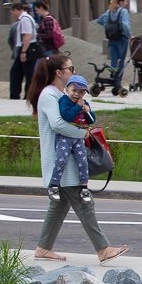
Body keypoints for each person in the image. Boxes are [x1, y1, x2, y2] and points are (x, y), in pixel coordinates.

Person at [27, 53, 127, 265]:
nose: (74, 71)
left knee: (60, 206)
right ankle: (103, 249)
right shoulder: (49, 95)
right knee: (84, 202)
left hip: (65, 159)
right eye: (71, 68)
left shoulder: (60, 94)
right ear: (59, 73)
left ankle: (43, 248)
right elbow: (57, 124)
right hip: (62, 160)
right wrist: (84, 134)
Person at [47, 74, 95, 202]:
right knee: (61, 159)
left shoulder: (83, 103)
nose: (76, 95)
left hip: (78, 138)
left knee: (83, 160)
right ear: (67, 89)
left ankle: (84, 186)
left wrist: (87, 111)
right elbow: (66, 116)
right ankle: (53, 185)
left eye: (81, 92)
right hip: (65, 137)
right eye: (74, 91)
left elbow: (92, 120)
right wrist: (78, 107)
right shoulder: (64, 101)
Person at [96, 0, 131, 92]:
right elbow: (125, 25)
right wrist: (129, 35)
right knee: (121, 61)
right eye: (126, 1)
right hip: (121, 39)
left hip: (112, 39)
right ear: (121, 2)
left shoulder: (109, 12)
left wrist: (108, 26)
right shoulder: (123, 12)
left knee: (114, 61)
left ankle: (112, 78)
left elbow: (99, 20)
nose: (127, 3)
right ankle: (118, 82)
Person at [9, 2, 38, 100]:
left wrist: (23, 51)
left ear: (17, 10)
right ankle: (16, 95)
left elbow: (27, 35)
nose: (12, 14)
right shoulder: (27, 18)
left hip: (27, 48)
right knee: (17, 72)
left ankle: (26, 96)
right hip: (27, 48)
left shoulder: (25, 19)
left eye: (12, 11)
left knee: (27, 74)